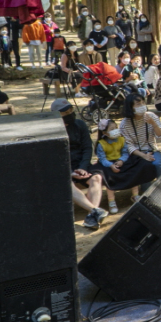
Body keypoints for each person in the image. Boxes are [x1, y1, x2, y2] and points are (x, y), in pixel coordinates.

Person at [52, 98, 108, 230]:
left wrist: (82, 168)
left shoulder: (80, 125)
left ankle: (92, 216)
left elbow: (87, 148)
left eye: (70, 110)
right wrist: (71, 171)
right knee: (67, 182)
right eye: (65, 112)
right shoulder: (53, 131)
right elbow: (55, 156)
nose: (69, 113)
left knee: (96, 178)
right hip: (64, 168)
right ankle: (94, 210)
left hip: (82, 165)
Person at [120, 93, 161, 194]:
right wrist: (143, 155)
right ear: (131, 107)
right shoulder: (125, 123)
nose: (142, 106)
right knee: (145, 166)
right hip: (135, 154)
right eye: (138, 104)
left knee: (158, 164)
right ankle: (147, 194)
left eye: (143, 103)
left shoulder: (151, 116)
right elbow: (128, 145)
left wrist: (153, 124)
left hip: (152, 150)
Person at [92, 119, 137, 214]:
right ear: (105, 132)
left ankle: (135, 195)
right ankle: (111, 201)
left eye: (116, 127)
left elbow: (125, 152)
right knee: (109, 179)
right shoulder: (101, 144)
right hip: (107, 164)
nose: (116, 130)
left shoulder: (122, 139)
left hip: (120, 161)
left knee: (133, 171)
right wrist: (111, 165)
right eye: (112, 129)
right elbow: (102, 159)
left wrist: (121, 160)